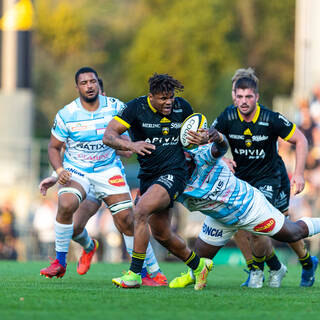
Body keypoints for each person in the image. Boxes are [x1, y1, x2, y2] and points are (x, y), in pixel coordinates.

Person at [39, 67, 167, 286]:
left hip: (108, 171)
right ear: (77, 87)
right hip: (78, 171)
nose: (89, 86)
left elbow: (128, 140)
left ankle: (147, 273)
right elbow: (55, 147)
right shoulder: (67, 114)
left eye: (93, 82)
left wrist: (133, 147)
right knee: (70, 212)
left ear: (98, 84)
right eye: (84, 83)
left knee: (127, 220)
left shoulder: (116, 108)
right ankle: (66, 258)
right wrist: (58, 172)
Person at [169, 127, 320, 289]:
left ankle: (268, 268)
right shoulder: (173, 183)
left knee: (293, 233)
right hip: (219, 218)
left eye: (183, 159)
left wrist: (219, 136)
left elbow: (221, 147)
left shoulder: (203, 155)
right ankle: (193, 276)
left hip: (249, 207)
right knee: (198, 260)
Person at [103, 73, 212, 290]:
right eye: (163, 98)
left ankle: (135, 274)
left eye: (171, 97)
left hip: (175, 173)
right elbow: (108, 136)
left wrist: (204, 137)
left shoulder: (183, 107)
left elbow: (199, 136)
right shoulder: (136, 108)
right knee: (162, 234)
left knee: (140, 210)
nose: (169, 102)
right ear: (151, 97)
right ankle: (199, 266)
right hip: (149, 176)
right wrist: (131, 146)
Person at [212, 74, 318, 288]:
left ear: (257, 97)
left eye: (248, 96)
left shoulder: (271, 118)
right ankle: (262, 270)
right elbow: (210, 139)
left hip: (271, 179)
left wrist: (298, 173)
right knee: (245, 226)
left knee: (280, 229)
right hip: (242, 179)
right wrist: (222, 158)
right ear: (234, 97)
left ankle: (305, 262)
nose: (243, 101)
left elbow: (301, 139)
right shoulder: (228, 117)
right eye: (240, 96)